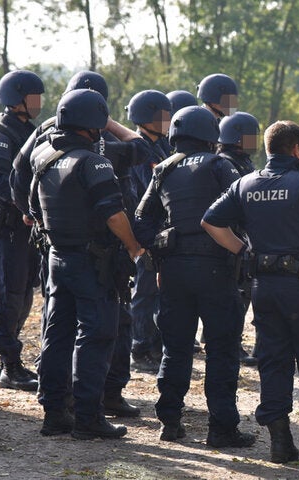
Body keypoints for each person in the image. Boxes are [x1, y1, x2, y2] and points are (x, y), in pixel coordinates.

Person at [202, 120, 299, 465]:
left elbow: (210, 221)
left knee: (274, 362)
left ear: (268, 148)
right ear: (298, 149)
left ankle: (280, 443)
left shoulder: (245, 183)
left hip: (263, 287)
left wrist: (244, 252)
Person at [10, 70, 147, 418]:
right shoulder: (98, 154)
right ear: (98, 117)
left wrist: (34, 216)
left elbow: (18, 175)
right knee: (100, 330)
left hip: (57, 252)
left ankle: (55, 410)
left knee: (57, 330)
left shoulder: (43, 148)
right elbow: (139, 156)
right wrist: (132, 246)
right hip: (97, 256)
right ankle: (92, 410)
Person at [134, 106, 255, 447]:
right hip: (216, 270)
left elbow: (141, 224)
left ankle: (170, 422)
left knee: (175, 349)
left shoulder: (163, 171)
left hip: (173, 272)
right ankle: (222, 429)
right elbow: (243, 207)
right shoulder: (221, 165)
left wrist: (164, 248)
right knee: (221, 350)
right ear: (210, 135)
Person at [0, 69, 44, 391]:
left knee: (23, 293)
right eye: (35, 96)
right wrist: (30, 206)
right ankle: (9, 365)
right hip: (7, 226)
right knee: (8, 294)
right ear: (17, 98)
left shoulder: (26, 130)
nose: (40, 102)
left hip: (26, 224)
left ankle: (15, 361)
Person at [126, 90, 173, 374]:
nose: (168, 120)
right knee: (144, 291)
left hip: (163, 229)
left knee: (159, 291)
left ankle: (154, 344)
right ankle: (139, 347)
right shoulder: (139, 149)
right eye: (162, 115)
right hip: (146, 229)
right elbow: (147, 189)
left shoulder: (161, 146)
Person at [217, 111, 261, 366]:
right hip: (230, 237)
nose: (254, 141)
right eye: (250, 136)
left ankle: (235, 343)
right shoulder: (225, 162)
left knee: (243, 295)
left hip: (245, 235)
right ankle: (229, 345)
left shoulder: (245, 162)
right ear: (235, 137)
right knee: (234, 296)